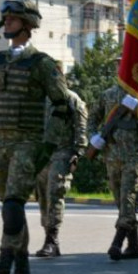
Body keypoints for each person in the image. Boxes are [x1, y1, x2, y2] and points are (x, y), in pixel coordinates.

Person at [0, 0, 69, 274]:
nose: (6, 21)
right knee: (10, 208)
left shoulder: (42, 64)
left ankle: (2, 269)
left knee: (13, 205)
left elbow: (62, 106)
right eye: (4, 17)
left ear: (27, 24)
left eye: (11, 18)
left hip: (27, 142)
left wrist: (48, 147)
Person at [88, 58, 138, 260]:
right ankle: (134, 246)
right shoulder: (108, 94)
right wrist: (93, 136)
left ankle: (117, 241)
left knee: (128, 196)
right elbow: (93, 118)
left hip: (135, 154)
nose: (122, 67)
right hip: (112, 155)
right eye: (120, 65)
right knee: (121, 200)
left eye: (126, 64)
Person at [35, 64, 88, 257]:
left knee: (54, 192)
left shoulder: (71, 98)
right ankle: (47, 236)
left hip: (63, 152)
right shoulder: (41, 98)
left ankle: (52, 239)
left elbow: (81, 126)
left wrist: (78, 152)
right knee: (42, 196)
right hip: (42, 154)